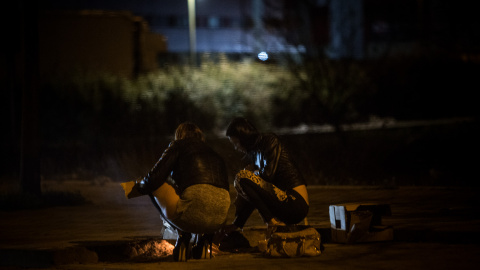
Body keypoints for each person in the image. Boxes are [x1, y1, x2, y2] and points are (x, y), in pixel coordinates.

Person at [132, 122, 230, 261]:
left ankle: (184, 236)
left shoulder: (178, 145)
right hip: (220, 218)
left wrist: (139, 185)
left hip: (191, 214)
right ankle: (205, 239)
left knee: (153, 184)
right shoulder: (214, 153)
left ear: (179, 135)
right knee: (195, 192)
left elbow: (153, 180)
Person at [224, 117, 309, 233]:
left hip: (295, 202)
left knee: (242, 177)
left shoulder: (270, 141)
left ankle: (271, 222)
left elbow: (269, 174)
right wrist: (236, 224)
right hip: (280, 205)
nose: (236, 147)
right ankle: (271, 221)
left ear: (243, 137)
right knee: (244, 179)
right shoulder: (254, 153)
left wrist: (251, 174)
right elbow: (255, 194)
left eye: (236, 143)